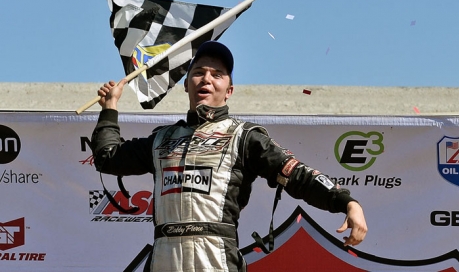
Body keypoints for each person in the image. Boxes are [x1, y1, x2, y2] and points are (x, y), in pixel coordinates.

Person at [91, 41, 367, 272]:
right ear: (186, 84)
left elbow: (297, 175)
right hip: (165, 259)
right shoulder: (161, 139)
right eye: (198, 72)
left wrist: (347, 203)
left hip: (217, 260)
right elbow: (107, 158)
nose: (207, 79)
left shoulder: (245, 136)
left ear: (229, 91)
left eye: (217, 74)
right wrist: (110, 108)